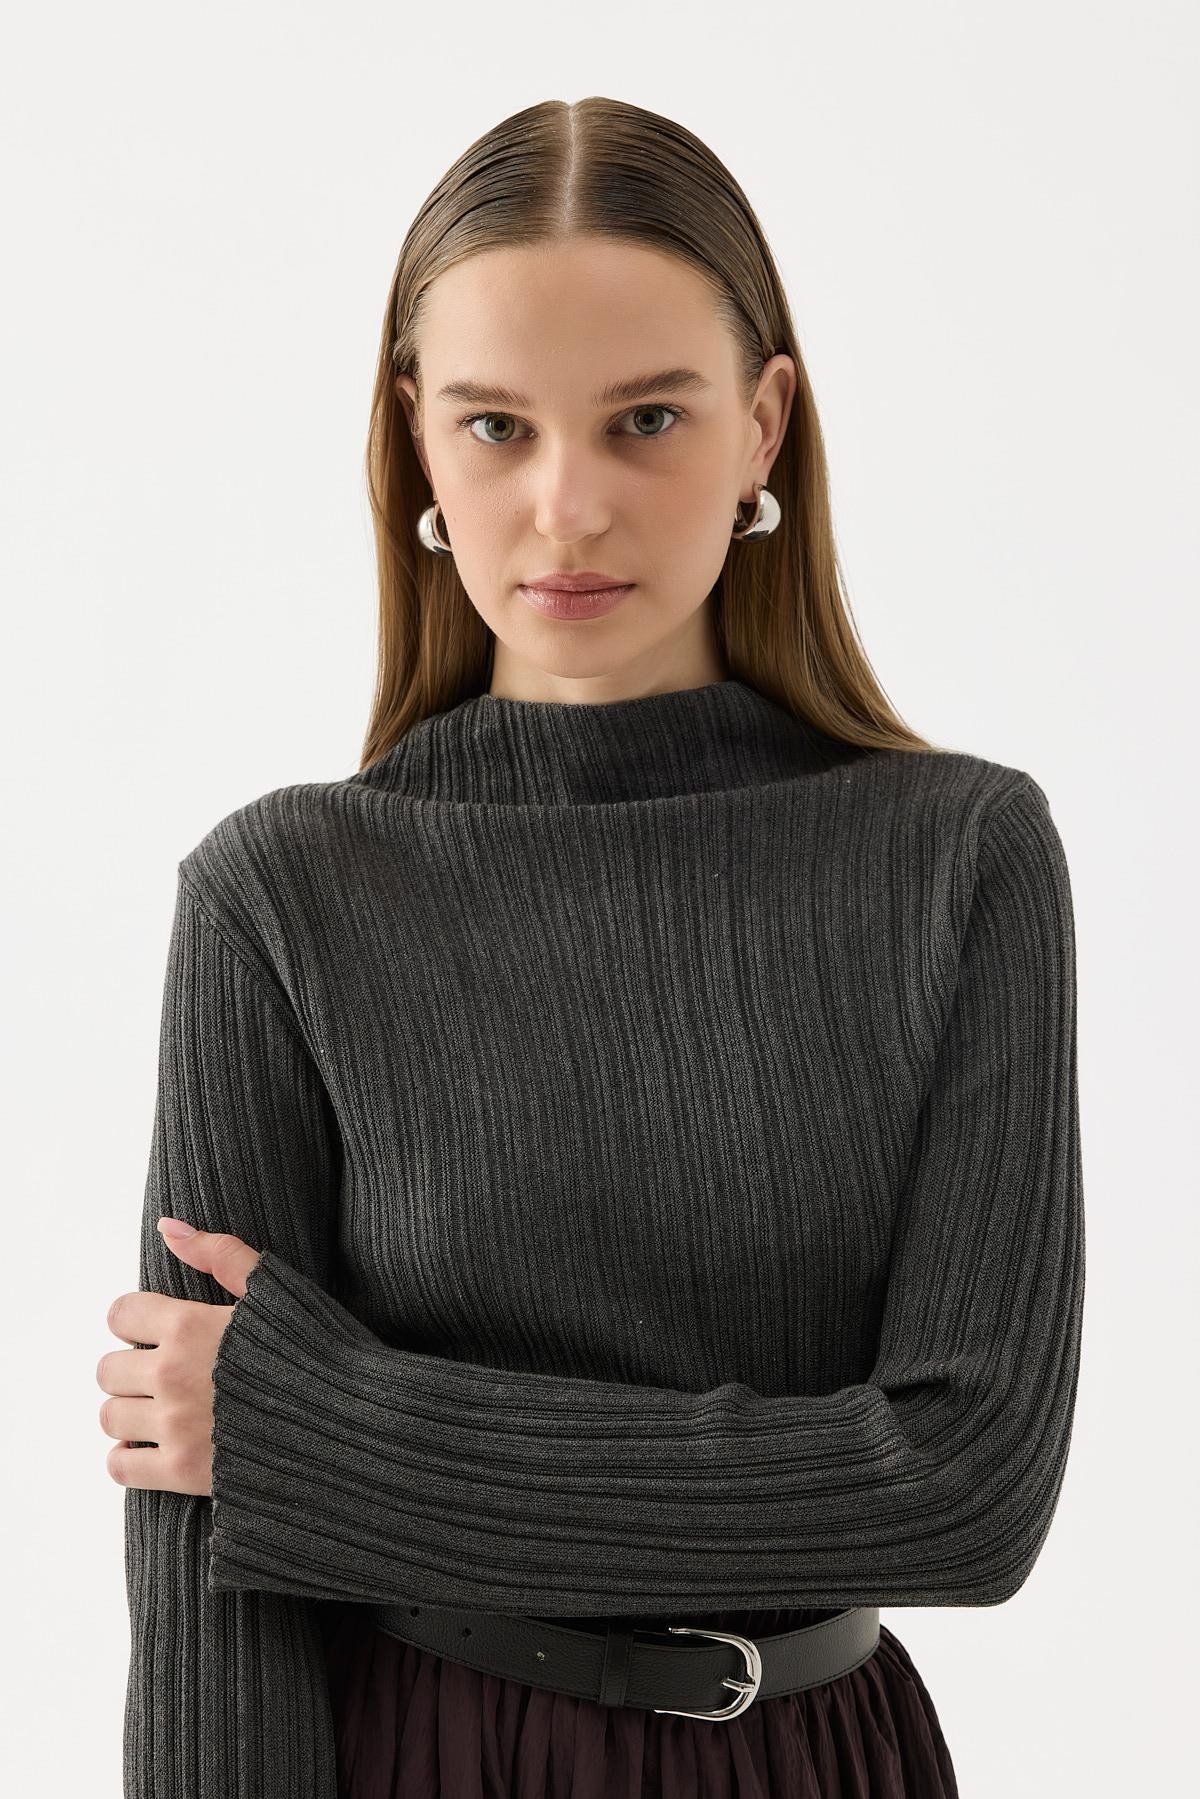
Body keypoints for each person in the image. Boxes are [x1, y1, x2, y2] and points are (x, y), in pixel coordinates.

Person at [103, 95, 1084, 1799]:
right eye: (496, 427)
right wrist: (278, 1447)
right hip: (416, 1760)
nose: (567, 508)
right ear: (416, 439)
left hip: (817, 1763)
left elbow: (964, 1492)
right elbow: (206, 1575)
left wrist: (332, 1433)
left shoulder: (958, 861)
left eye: (646, 419)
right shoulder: (282, 896)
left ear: (763, 426)